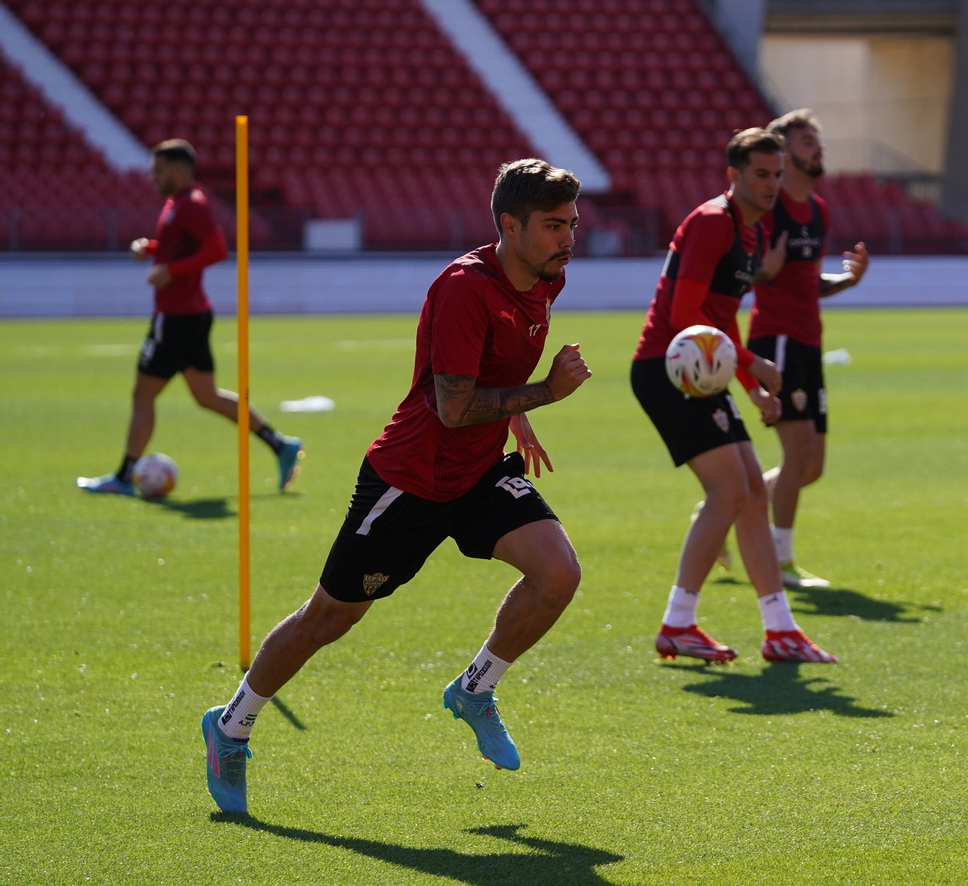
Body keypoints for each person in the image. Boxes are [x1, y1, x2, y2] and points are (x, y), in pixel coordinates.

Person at [200, 158, 592, 814]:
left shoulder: (546, 278)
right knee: (330, 618)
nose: (569, 238)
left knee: (558, 574)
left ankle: (474, 688)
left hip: (478, 473)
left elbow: (489, 365)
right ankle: (232, 725)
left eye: (573, 224)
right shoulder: (465, 287)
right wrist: (545, 393)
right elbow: (452, 407)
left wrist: (517, 411)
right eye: (554, 226)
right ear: (510, 226)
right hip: (409, 481)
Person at [631, 128, 838, 665]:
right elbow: (683, 319)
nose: (771, 185)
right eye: (760, 175)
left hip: (700, 369)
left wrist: (750, 386)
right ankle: (678, 622)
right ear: (734, 176)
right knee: (729, 494)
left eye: (776, 174)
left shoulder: (750, 232)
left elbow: (720, 322)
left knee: (752, 493)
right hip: (669, 369)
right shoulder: (712, 224)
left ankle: (780, 629)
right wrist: (752, 365)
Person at [77, 139, 303, 496]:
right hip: (192, 314)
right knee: (207, 396)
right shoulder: (177, 204)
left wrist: (171, 270)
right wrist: (151, 249)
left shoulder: (192, 205)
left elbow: (216, 250)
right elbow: (180, 248)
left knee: (143, 395)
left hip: (177, 316)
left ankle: (123, 477)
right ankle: (280, 445)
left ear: (180, 171)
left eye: (159, 170)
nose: (152, 176)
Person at [748, 109, 869, 589]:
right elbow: (747, 271)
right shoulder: (769, 208)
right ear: (784, 153)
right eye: (806, 140)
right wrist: (763, 270)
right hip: (775, 340)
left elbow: (808, 282)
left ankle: (730, 502)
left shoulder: (816, 209)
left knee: (812, 466)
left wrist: (847, 280)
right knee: (798, 456)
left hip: (808, 339)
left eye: (817, 139)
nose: (817, 146)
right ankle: (780, 562)